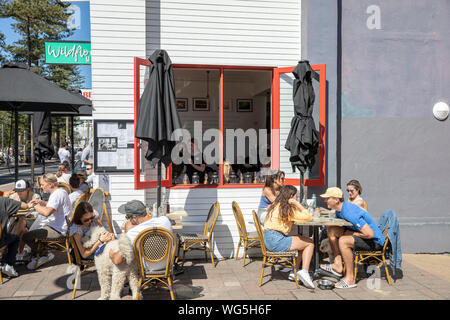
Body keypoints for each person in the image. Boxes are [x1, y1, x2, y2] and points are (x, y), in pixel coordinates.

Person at [319, 187, 385, 289]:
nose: (325, 200)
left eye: (327, 198)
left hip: (375, 242)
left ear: (336, 200)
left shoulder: (350, 212)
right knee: (332, 230)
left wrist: (351, 233)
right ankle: (338, 265)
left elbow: (370, 234)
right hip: (364, 237)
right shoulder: (339, 210)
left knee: (343, 241)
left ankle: (350, 279)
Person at [263, 185, 315, 289]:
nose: (297, 198)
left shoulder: (277, 205)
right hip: (276, 241)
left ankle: (293, 271)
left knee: (301, 242)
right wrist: (296, 203)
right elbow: (308, 217)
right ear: (291, 196)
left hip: (270, 239)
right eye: (296, 196)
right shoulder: (286, 209)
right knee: (309, 243)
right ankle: (304, 272)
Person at [22, 173, 72, 270]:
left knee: (26, 236)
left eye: (42, 184)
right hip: (62, 227)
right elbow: (53, 206)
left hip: (58, 230)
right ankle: (41, 253)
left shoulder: (56, 195)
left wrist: (35, 206)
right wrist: (42, 202)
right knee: (34, 228)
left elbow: (47, 212)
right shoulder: (61, 191)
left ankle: (44, 254)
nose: (41, 187)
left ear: (50, 184)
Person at [109, 200, 173, 272]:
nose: (128, 220)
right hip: (168, 265)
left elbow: (117, 260)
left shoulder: (133, 233)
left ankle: (127, 280)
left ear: (134, 217)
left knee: (128, 255)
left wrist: (112, 254)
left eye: (127, 217)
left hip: (148, 268)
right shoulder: (165, 220)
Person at [6, 180, 40, 260]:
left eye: (21, 191)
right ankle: (19, 252)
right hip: (16, 223)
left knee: (22, 221)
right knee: (23, 230)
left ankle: (13, 250)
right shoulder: (13, 197)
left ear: (28, 189)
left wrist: (30, 214)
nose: (19, 193)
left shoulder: (35, 197)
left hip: (32, 222)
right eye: (17, 191)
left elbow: (38, 213)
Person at [0, 196, 33, 277]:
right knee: (15, 238)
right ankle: (9, 265)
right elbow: (25, 206)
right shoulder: (3, 201)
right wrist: (31, 204)